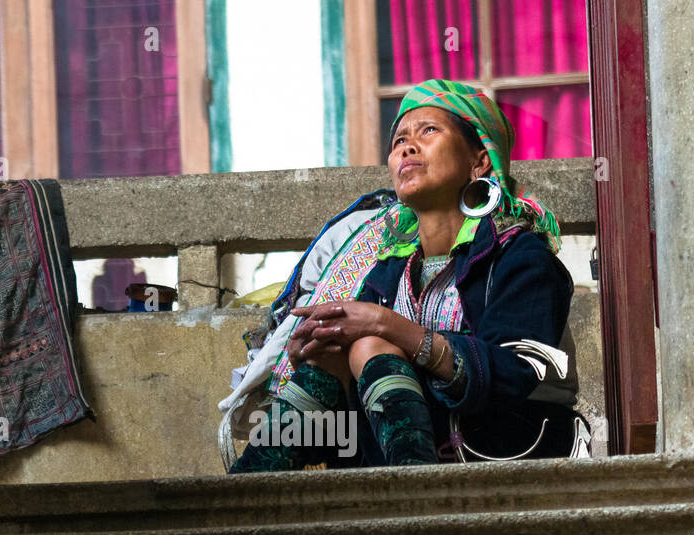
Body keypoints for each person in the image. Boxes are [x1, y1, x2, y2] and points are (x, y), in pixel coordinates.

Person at [229, 78, 580, 472]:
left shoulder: (519, 254)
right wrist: (312, 364)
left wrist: (387, 325)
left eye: (429, 131)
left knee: (369, 345)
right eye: (399, 141)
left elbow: (516, 373)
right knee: (331, 355)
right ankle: (239, 495)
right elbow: (347, 419)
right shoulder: (388, 268)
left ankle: (415, 496)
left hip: (506, 449)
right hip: (404, 448)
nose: (407, 147)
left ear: (478, 161)